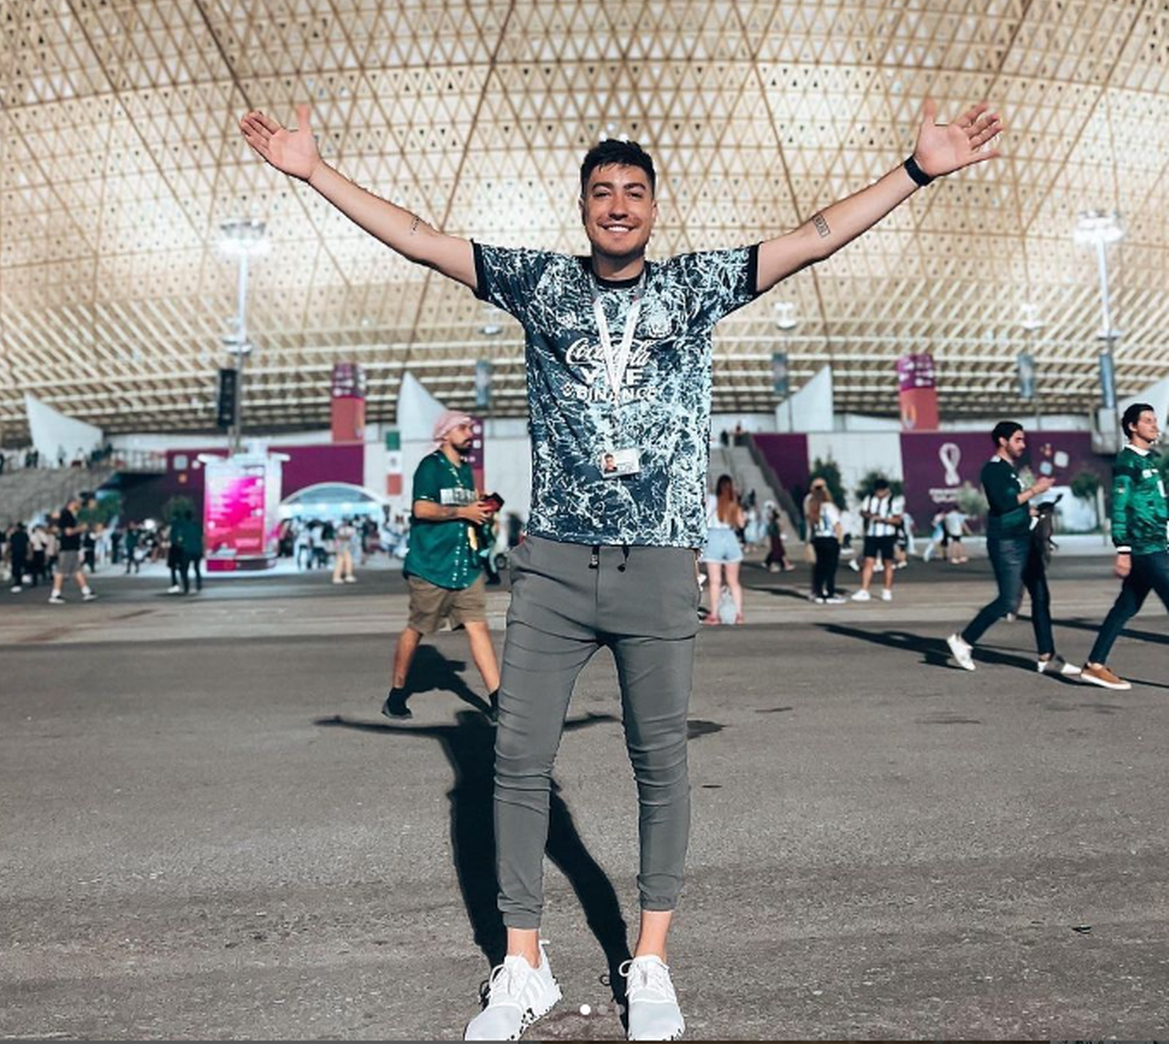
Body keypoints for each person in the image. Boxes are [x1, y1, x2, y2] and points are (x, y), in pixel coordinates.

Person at [241, 95, 1001, 1042]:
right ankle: (523, 968)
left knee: (660, 764)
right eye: (601, 191)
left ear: (654, 207)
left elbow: (813, 238)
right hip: (555, 561)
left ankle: (651, 961)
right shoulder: (538, 283)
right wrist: (314, 172)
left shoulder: (696, 287)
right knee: (515, 760)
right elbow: (422, 239)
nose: (617, 204)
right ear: (582, 207)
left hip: (657, 560)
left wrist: (919, 169)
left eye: (633, 191)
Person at [381, 411, 499, 720]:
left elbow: (465, 508)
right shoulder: (430, 467)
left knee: (479, 627)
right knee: (418, 628)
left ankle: (499, 701)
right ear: (445, 435)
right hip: (432, 565)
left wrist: (480, 507)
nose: (469, 432)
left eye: (470, 428)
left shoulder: (465, 471)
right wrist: (462, 511)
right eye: (462, 428)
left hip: (465, 565)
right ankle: (396, 694)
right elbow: (421, 509)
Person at [945, 421, 1078, 677]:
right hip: (1006, 542)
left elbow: (1014, 506)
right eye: (1018, 439)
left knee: (1040, 595)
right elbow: (1004, 503)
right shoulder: (993, 470)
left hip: (1023, 539)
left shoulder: (1010, 471)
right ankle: (963, 640)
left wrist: (1034, 509)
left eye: (1023, 439)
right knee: (1008, 600)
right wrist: (1035, 490)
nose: (1023, 444)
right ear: (1003, 441)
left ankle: (1047, 656)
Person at [1076, 403, 1169, 691]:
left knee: (1125, 607)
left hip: (1156, 543)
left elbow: (1155, 505)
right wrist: (1123, 550)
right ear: (1132, 426)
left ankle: (1094, 665)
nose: (1155, 425)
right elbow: (1119, 506)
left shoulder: (1150, 460)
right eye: (1148, 421)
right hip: (1145, 547)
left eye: (1155, 420)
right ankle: (1095, 665)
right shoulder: (1127, 461)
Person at [703, 474, 745, 624]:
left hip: (713, 537)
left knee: (715, 581)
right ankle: (739, 614)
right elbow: (741, 524)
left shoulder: (711, 499)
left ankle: (714, 615)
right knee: (734, 581)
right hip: (730, 537)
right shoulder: (733, 502)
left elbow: (704, 515)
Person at [852, 478, 902, 602]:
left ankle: (887, 590)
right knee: (868, 561)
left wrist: (884, 519)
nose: (879, 493)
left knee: (887, 563)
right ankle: (864, 590)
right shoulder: (869, 499)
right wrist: (869, 516)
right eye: (877, 491)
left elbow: (898, 520)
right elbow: (863, 512)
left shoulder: (893, 501)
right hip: (871, 534)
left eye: (881, 491)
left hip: (887, 535)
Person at [804, 477, 844, 604]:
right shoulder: (829, 506)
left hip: (818, 538)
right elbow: (836, 524)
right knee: (831, 568)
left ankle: (819, 593)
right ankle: (830, 593)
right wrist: (840, 540)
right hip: (829, 538)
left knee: (820, 567)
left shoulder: (812, 506)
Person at [48, 499, 95, 604]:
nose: (79, 505)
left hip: (72, 547)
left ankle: (86, 591)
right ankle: (55, 594)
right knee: (61, 571)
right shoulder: (66, 515)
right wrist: (81, 528)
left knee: (77, 570)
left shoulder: (70, 515)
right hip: (67, 547)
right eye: (77, 503)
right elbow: (67, 532)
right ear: (72, 503)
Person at [171, 505, 204, 595]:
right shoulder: (197, 525)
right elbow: (201, 537)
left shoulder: (183, 526)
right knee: (197, 568)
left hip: (187, 550)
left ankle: (186, 587)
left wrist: (180, 545)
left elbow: (179, 538)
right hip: (197, 550)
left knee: (184, 569)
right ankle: (198, 584)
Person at [762, 502, 793, 572]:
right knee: (777, 550)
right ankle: (775, 565)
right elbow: (774, 522)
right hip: (774, 534)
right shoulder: (769, 515)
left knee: (779, 550)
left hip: (775, 533)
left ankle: (785, 564)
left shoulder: (771, 515)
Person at [332, 518, 357, 585]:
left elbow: (339, 537)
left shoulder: (340, 528)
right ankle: (346, 575)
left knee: (342, 561)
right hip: (343, 546)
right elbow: (346, 537)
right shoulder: (349, 529)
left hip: (342, 546)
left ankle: (339, 576)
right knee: (346, 561)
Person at [8, 521, 31, 591]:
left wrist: (6, 552)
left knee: (16, 568)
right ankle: (20, 579)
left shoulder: (13, 535)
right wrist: (29, 553)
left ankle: (18, 582)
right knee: (22, 566)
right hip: (22, 553)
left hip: (15, 553)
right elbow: (28, 545)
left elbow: (9, 544)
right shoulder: (25, 535)